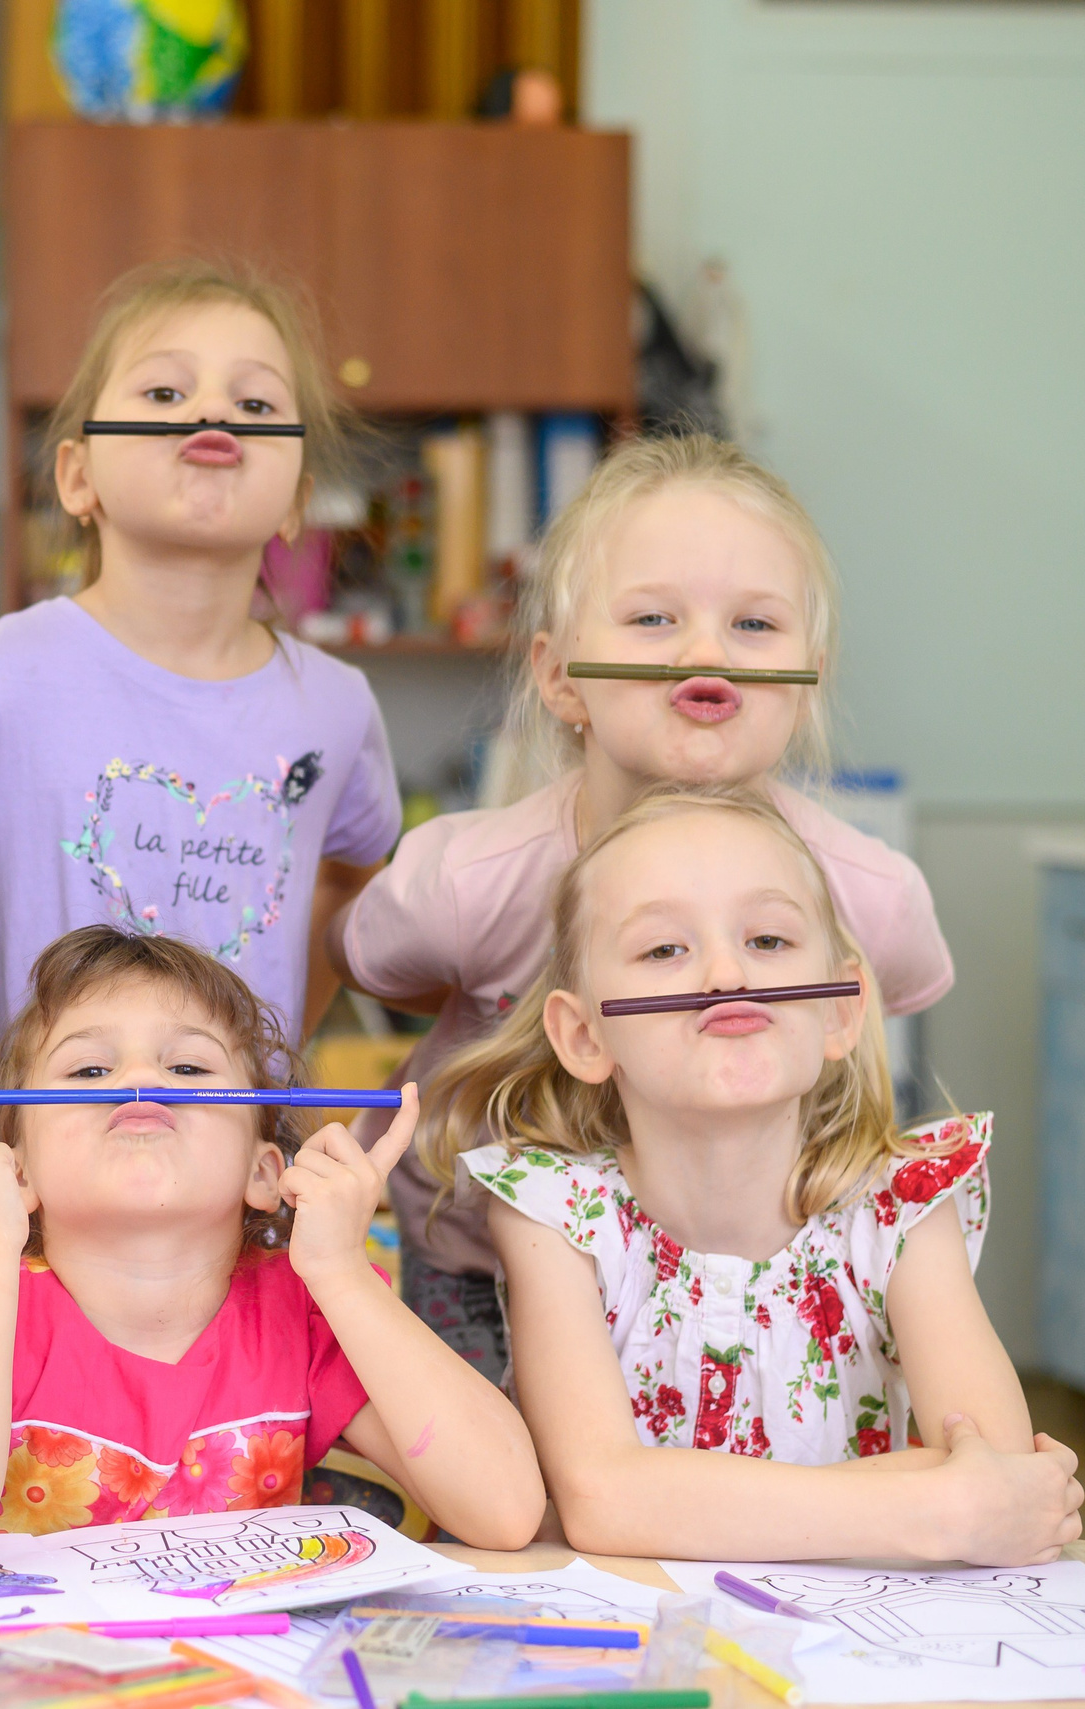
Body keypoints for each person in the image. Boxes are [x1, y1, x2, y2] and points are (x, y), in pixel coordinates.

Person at [328, 433, 952, 1385]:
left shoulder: (871, 897)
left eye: (754, 626)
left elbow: (886, 993)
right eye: (654, 618)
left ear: (809, 676)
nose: (705, 651)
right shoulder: (467, 882)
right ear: (559, 676)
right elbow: (380, 966)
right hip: (483, 1276)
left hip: (743, 1279)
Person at [421, 784, 1081, 1563]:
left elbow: (998, 1478)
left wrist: (668, 1502)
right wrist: (934, 1507)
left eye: (769, 939)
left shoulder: (902, 1206)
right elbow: (599, 1497)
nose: (729, 971)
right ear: (584, 1033)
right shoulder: (555, 1212)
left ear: (840, 1009)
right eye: (665, 948)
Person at [0, 926, 543, 1574]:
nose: (140, 1080)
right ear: (18, 1173)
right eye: (89, 1067)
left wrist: (342, 1272)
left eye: (187, 1065)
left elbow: (506, 1508)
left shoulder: (303, 1313)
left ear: (265, 1171)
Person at [0, 258, 401, 1052]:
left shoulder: (337, 706)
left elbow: (351, 874)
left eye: (256, 401)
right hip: (31, 1168)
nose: (213, 410)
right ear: (77, 476)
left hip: (248, 1169)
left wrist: (276, 1058)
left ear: (298, 499)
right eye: (164, 392)